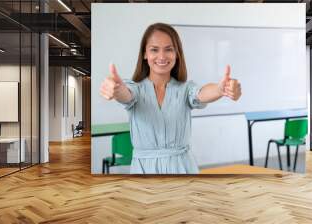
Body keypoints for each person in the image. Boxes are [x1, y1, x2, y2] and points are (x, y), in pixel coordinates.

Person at [100, 23, 241, 174]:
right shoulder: (135, 88)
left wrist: (220, 89)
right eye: (154, 49)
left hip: (182, 168)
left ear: (177, 54)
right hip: (144, 170)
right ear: (145, 54)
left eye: (169, 49)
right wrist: (115, 88)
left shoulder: (185, 89)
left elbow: (201, 93)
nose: (162, 56)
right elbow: (126, 94)